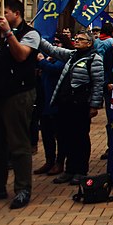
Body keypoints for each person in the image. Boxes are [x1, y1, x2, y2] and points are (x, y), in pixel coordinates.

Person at [37, 30, 105, 185]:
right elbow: (52, 50)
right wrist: (36, 36)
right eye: (76, 38)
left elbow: (98, 83)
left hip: (80, 104)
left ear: (89, 43)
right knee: (65, 136)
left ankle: (80, 170)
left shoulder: (94, 59)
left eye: (81, 39)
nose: (77, 41)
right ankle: (69, 170)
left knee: (80, 137)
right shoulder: (71, 55)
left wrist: (94, 105)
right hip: (65, 103)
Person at [0, 0, 41, 209]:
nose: (1, 16)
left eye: (6, 12)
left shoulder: (30, 33)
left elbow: (21, 55)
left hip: (19, 95)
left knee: (18, 144)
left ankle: (23, 189)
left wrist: (9, 34)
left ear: (17, 13)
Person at [34, 33, 71, 176]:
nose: (56, 45)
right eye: (54, 42)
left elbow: (55, 69)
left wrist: (43, 61)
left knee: (59, 134)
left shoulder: (65, 58)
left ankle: (60, 162)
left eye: (58, 42)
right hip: (44, 101)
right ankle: (49, 160)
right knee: (46, 133)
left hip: (57, 102)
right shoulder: (51, 58)